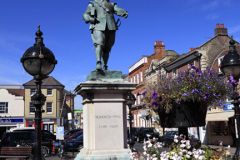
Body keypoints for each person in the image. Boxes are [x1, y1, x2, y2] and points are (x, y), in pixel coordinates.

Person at [83, 0, 128, 70]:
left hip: (111, 26)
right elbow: (86, 14)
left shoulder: (111, 4)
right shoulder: (94, 3)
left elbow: (117, 9)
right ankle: (98, 63)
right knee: (99, 43)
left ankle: (105, 66)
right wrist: (89, 18)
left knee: (107, 48)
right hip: (98, 25)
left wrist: (123, 12)